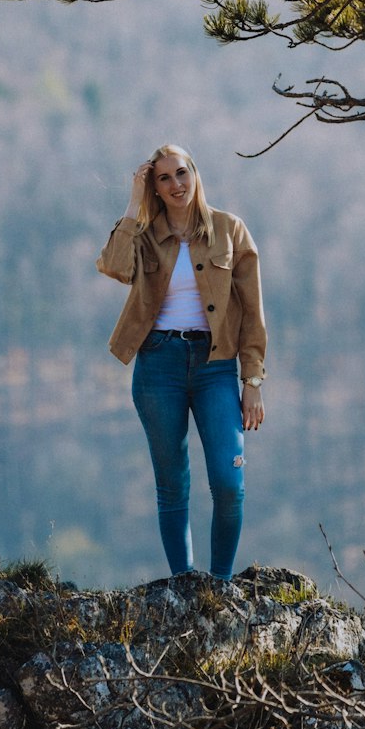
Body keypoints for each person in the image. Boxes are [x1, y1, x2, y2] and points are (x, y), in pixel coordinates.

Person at [97, 144, 266, 581]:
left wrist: (253, 380)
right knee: (172, 486)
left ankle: (221, 585)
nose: (177, 184)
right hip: (158, 366)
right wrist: (134, 203)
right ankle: (184, 587)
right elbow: (113, 267)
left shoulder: (231, 231)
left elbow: (252, 312)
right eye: (164, 178)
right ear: (154, 187)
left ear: (196, 174)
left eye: (182, 172)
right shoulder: (145, 231)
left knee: (229, 486)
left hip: (216, 368)